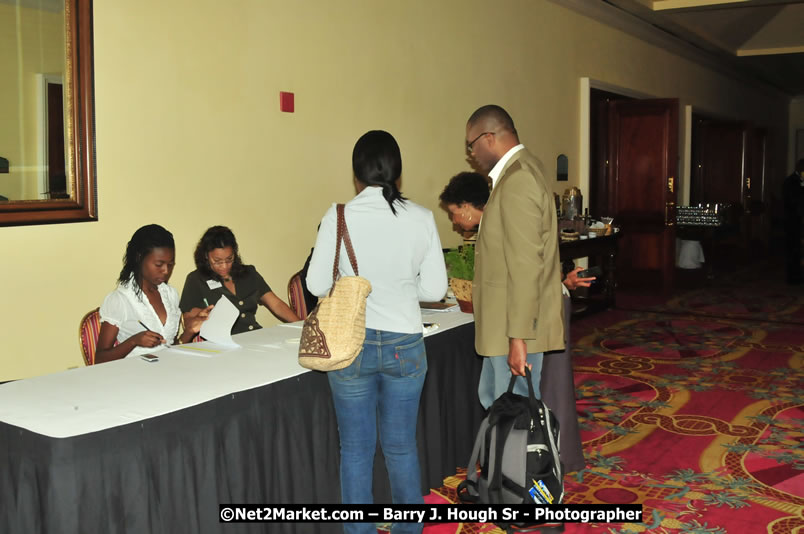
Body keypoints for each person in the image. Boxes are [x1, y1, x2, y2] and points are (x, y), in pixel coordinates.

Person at [306, 130, 447, 534]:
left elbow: (316, 285)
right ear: (397, 172)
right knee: (401, 447)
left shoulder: (339, 216)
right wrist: (403, 289)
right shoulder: (421, 218)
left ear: (356, 173)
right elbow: (435, 290)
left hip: (352, 344)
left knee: (355, 450)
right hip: (405, 342)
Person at [440, 171, 589, 472]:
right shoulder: (488, 228)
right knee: (492, 396)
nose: (455, 222)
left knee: (518, 404)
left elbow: (525, 273)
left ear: (467, 206)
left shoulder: (501, 222)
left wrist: (517, 337)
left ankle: (517, 476)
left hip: (515, 328)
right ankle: (501, 469)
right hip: (499, 329)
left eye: (455, 214)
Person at [465, 104, 565, 409]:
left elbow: (525, 266)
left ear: (489, 137)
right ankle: (504, 459)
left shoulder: (518, 180)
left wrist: (518, 338)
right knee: (498, 406)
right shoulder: (518, 173)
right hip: (504, 325)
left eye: (471, 145)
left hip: (514, 327)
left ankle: (517, 460)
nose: (471, 154)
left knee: (516, 416)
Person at [96, 224, 209, 363]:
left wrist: (189, 331)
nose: (166, 271)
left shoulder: (170, 294)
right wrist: (133, 341)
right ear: (139, 258)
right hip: (133, 375)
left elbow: (170, 348)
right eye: (159, 264)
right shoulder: (120, 299)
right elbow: (100, 359)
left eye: (170, 264)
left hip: (167, 371)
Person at [180, 226, 299, 335]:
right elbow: (188, 321)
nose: (224, 266)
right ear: (206, 256)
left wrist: (303, 327)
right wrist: (200, 317)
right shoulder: (196, 280)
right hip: (222, 343)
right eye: (217, 261)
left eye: (229, 259)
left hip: (254, 336)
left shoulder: (248, 274)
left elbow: (276, 304)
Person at [783, 159, 804, 285]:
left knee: (797, 251)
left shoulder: (799, 181)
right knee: (793, 250)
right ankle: (793, 278)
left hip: (798, 220)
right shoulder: (790, 181)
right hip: (792, 220)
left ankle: (798, 276)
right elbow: (794, 200)